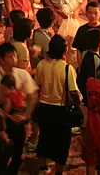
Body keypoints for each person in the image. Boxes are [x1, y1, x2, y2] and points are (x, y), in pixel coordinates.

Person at [30, 35, 75, 174]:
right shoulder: (68, 68)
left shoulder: (42, 64)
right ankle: (59, 171)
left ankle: (43, 167)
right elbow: (73, 92)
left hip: (44, 107)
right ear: (64, 51)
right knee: (62, 142)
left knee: (45, 138)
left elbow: (37, 84)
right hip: (61, 110)